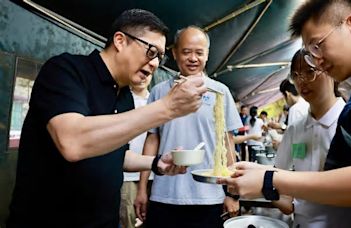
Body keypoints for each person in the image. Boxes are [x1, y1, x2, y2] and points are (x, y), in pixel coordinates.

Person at [7, 9, 207, 228]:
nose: (155, 64)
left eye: (160, 56)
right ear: (120, 41)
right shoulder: (66, 70)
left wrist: (157, 163)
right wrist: (166, 108)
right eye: (151, 52)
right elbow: (72, 141)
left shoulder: (124, 97)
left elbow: (116, 155)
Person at [218, 0, 351, 227]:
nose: (318, 61)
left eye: (318, 46)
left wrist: (270, 179)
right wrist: (262, 171)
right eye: (311, 54)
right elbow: (332, 180)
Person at [135, 25, 242, 228]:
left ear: (207, 55)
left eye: (199, 53)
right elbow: (152, 139)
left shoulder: (220, 92)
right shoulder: (159, 92)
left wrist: (232, 193)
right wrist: (142, 189)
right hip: (164, 195)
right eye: (186, 52)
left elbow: (227, 142)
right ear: (174, 53)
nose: (193, 58)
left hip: (209, 197)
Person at [273, 48, 351, 227]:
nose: (302, 81)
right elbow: (278, 176)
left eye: (310, 71)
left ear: (331, 71)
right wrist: (276, 195)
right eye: (296, 75)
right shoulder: (295, 129)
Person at [119, 74, 152, 228]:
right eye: (140, 72)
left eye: (148, 73)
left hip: (153, 173)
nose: (144, 77)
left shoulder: (157, 101)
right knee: (129, 220)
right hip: (127, 175)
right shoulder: (121, 99)